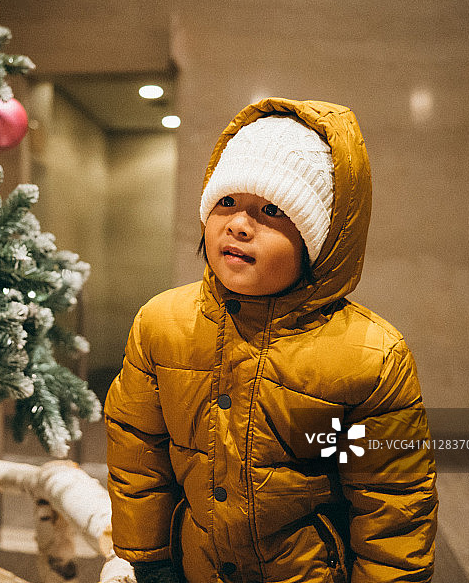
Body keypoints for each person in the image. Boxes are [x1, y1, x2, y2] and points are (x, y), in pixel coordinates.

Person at [105, 98, 438, 583]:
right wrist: (150, 560)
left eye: (272, 209)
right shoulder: (162, 323)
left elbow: (393, 501)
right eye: (226, 202)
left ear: (316, 242)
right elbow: (138, 449)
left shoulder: (371, 355)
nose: (239, 223)